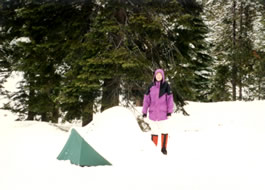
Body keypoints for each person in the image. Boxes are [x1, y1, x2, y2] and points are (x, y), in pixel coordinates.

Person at [142, 68, 174, 155]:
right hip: (153, 114)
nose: (158, 76)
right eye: (157, 75)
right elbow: (146, 100)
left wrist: (169, 112)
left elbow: (170, 100)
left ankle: (163, 148)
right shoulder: (151, 86)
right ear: (155, 76)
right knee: (154, 131)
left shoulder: (166, 86)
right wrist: (144, 112)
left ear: (162, 76)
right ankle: (154, 149)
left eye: (160, 75)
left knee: (164, 130)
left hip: (163, 114)